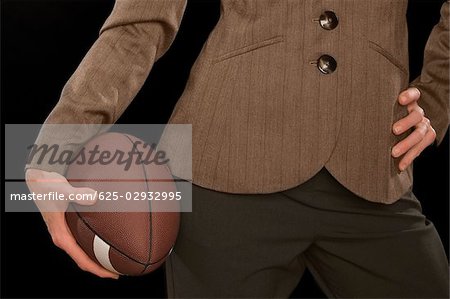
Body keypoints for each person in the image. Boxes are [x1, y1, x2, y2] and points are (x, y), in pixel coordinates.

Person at [26, 0, 449, 297]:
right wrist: (52, 151)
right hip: (223, 169)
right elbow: (141, 20)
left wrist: (437, 97)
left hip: (376, 166)